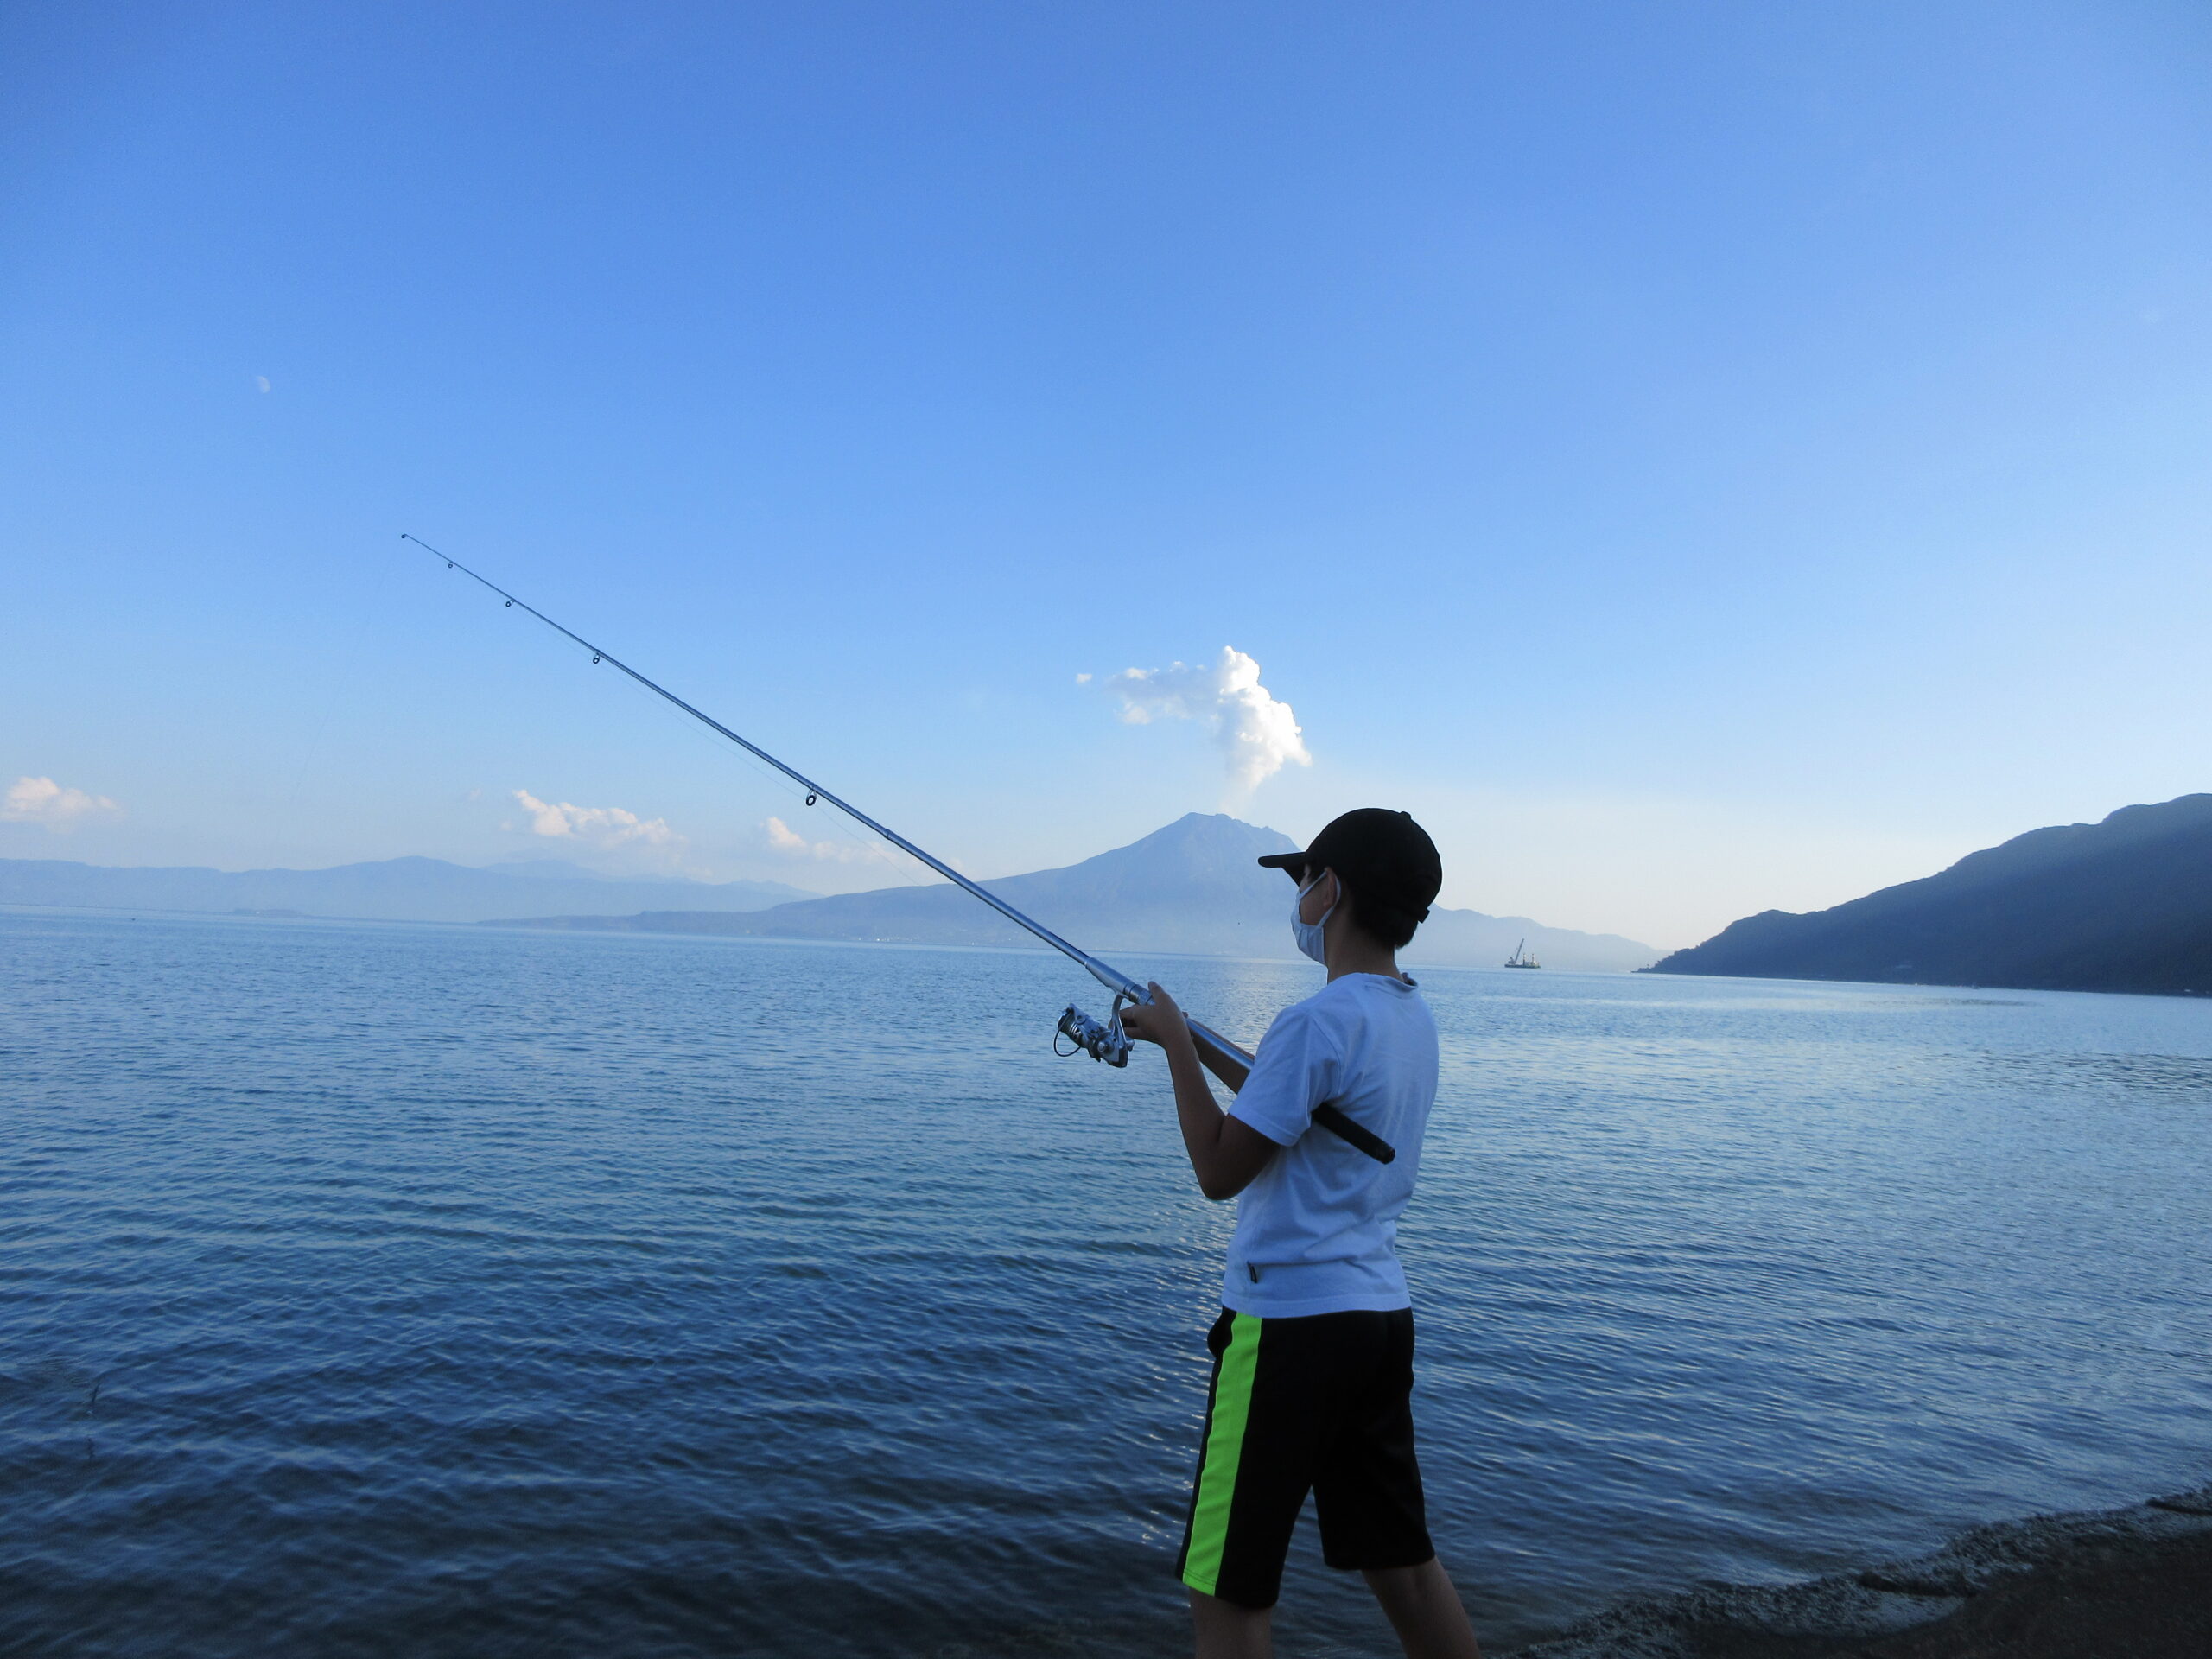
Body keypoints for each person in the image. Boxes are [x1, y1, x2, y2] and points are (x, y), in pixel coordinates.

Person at [1121, 808, 1482, 1659]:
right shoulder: (1407, 1019)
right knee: (1404, 1566)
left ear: (1335, 892)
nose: (1299, 897)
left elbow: (1219, 1169)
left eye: (1304, 879)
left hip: (1283, 1334)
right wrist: (1205, 1049)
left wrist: (1174, 1044)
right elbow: (1302, 1107)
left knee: (1226, 1588)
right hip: (1376, 1325)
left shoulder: (1314, 1023)